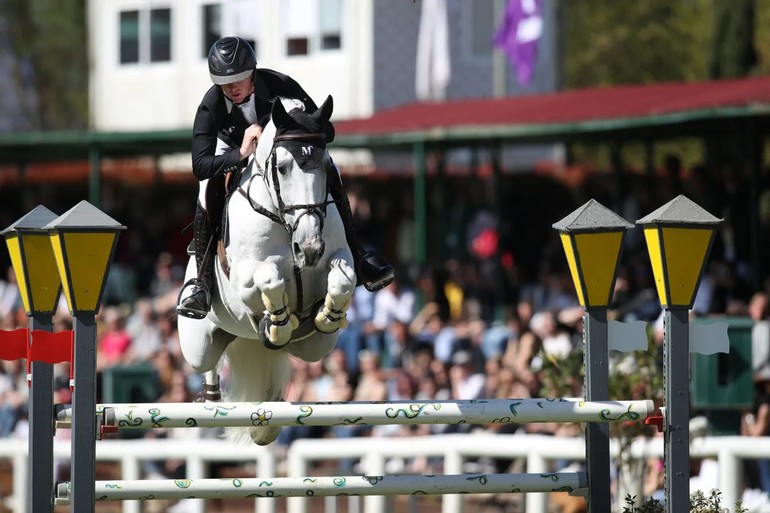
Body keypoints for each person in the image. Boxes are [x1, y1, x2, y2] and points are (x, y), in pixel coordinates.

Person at [177, 36, 394, 319]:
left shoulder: (280, 84)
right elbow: (200, 165)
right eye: (224, 83)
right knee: (205, 187)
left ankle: (360, 255)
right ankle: (202, 282)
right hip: (232, 149)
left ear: (252, 73)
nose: (232, 88)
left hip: (281, 150)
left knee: (333, 167)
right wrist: (240, 154)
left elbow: (322, 128)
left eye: (240, 79)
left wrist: (276, 133)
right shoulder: (211, 105)